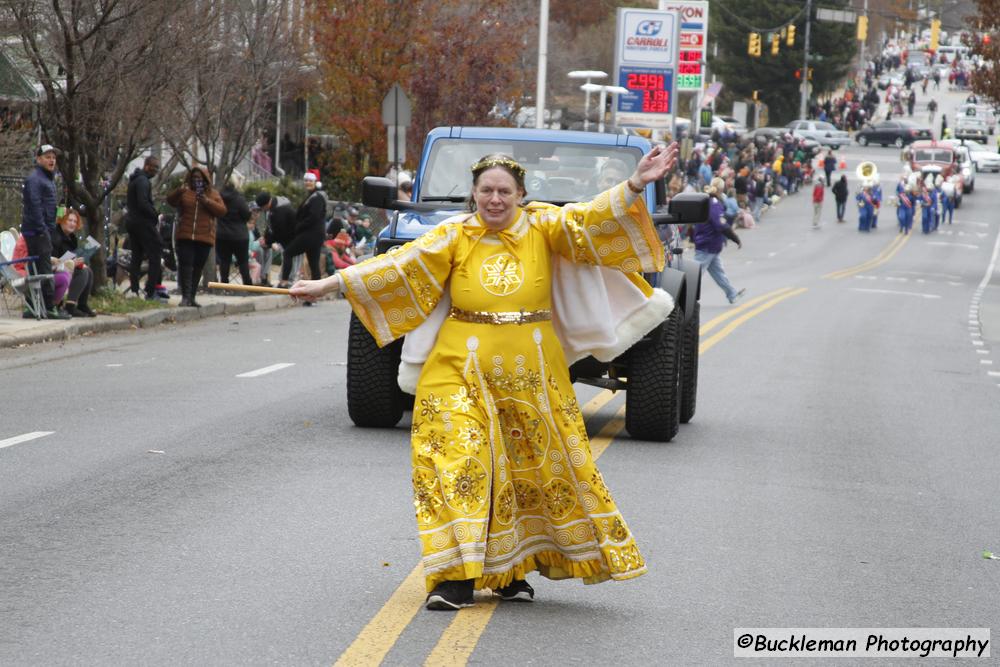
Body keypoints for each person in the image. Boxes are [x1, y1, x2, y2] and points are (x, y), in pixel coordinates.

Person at [290, 146, 679, 610]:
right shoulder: (452, 235)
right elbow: (398, 267)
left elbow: (590, 220)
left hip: (531, 375)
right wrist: (328, 284)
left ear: (521, 195)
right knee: (457, 466)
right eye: (486, 191)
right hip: (457, 368)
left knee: (523, 471)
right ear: (473, 194)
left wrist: (635, 183)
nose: (495, 200)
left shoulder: (544, 227)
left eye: (504, 192)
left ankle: (511, 570)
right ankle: (453, 578)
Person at [20, 144, 70, 319]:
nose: (52, 160)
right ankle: (49, 307)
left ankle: (33, 305)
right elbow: (34, 206)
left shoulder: (47, 179)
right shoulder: (35, 179)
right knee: (44, 269)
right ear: (38, 159)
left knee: (37, 269)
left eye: (53, 157)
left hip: (41, 230)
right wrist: (43, 229)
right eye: (47, 157)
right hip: (37, 231)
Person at [166, 166, 227, 307]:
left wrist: (206, 201)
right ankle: (185, 297)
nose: (196, 181)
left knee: (198, 267)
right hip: (186, 235)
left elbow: (222, 211)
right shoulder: (185, 192)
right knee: (186, 266)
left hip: (204, 236)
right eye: (194, 178)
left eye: (199, 178)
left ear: (205, 180)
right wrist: (178, 191)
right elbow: (170, 201)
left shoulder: (212, 194)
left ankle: (192, 296)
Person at [694, 177, 745, 304]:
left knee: (718, 273)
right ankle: (681, 298)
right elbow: (720, 224)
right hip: (708, 244)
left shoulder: (706, 200)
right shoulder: (714, 203)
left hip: (709, 243)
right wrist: (735, 238)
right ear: (721, 189)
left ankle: (732, 294)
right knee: (693, 275)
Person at [125, 156, 167, 302]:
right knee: (156, 253)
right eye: (154, 168)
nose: (156, 171)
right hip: (143, 223)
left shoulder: (135, 180)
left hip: (132, 222)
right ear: (147, 166)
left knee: (136, 256)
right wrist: (155, 214)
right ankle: (151, 290)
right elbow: (143, 203)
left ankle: (135, 289)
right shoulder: (143, 181)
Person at [276, 172, 326, 291]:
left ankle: (284, 282)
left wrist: (298, 226)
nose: (308, 183)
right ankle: (316, 291)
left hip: (310, 233)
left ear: (315, 182)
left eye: (310, 180)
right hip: (315, 235)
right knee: (313, 263)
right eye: (306, 180)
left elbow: (313, 216)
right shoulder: (313, 196)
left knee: (288, 253)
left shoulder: (317, 197)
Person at [50, 208, 95, 317]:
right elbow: (53, 259)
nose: (72, 224)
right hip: (55, 268)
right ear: (62, 220)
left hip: (68, 266)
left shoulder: (72, 238)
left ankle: (82, 305)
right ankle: (70, 306)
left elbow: (73, 254)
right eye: (70, 220)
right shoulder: (55, 236)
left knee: (87, 270)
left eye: (75, 221)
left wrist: (78, 261)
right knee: (83, 272)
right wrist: (71, 262)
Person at [216, 178, 253, 287]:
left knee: (224, 261)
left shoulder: (219, 198)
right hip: (239, 235)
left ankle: (224, 284)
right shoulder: (239, 199)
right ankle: (247, 284)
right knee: (243, 261)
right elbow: (247, 215)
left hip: (222, 234)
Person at [254, 191, 291, 286]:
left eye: (262, 207)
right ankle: (267, 278)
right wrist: (266, 240)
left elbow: (278, 231)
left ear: (266, 204)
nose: (262, 210)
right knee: (273, 252)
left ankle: (286, 282)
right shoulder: (271, 209)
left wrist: (268, 242)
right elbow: (269, 227)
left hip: (291, 236)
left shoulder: (279, 210)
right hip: (282, 237)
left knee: (289, 256)